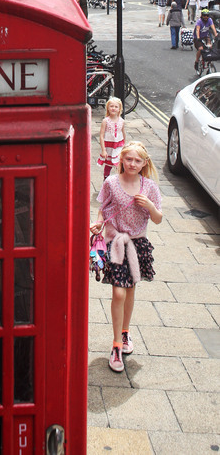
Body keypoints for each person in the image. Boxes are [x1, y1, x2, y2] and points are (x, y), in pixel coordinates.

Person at [90, 141, 162, 374]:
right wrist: (98, 223)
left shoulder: (149, 187)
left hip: (138, 244)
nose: (132, 163)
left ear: (144, 163)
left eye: (137, 160)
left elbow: (158, 218)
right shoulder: (111, 182)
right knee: (118, 291)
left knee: (129, 290)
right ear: (121, 160)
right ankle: (116, 345)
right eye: (128, 159)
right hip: (115, 243)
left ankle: (125, 331)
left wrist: (150, 205)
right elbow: (103, 207)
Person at [97, 97, 125, 180]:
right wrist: (103, 150)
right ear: (108, 108)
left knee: (119, 164)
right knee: (108, 165)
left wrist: (125, 147)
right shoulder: (105, 121)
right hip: (109, 146)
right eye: (111, 106)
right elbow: (101, 136)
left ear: (119, 109)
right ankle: (105, 180)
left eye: (116, 107)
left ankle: (120, 181)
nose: (113, 108)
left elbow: (123, 133)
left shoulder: (122, 121)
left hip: (118, 146)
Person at [194, 8, 218, 72]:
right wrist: (198, 37)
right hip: (198, 38)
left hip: (205, 36)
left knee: (210, 47)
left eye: (207, 15)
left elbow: (213, 27)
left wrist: (216, 35)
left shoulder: (209, 20)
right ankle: (196, 61)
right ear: (202, 15)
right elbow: (197, 30)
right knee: (201, 49)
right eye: (204, 15)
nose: (206, 17)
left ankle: (209, 62)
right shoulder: (199, 21)